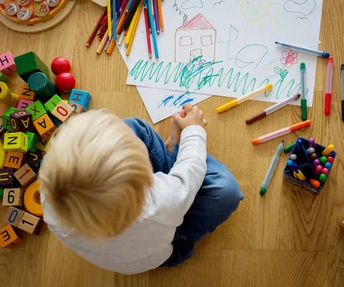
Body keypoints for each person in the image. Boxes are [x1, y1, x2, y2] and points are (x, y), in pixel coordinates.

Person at [39, 104, 243, 274]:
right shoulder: (157, 205)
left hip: (130, 243)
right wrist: (193, 131)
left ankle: (170, 151)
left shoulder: (52, 198)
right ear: (144, 182)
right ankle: (186, 234)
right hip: (171, 244)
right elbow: (190, 173)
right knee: (226, 192)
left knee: (133, 127)